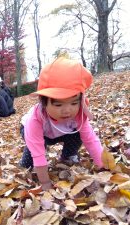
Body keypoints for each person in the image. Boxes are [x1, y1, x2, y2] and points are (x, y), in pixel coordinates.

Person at [19, 57, 104, 191]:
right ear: (43, 102)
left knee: (78, 134)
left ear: (81, 100)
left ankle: (68, 155)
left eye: (74, 103)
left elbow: (91, 140)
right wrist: (45, 183)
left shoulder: (79, 113)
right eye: (58, 104)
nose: (67, 110)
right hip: (38, 133)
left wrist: (103, 166)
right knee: (32, 155)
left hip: (63, 132)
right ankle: (25, 164)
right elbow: (38, 153)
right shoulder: (35, 119)